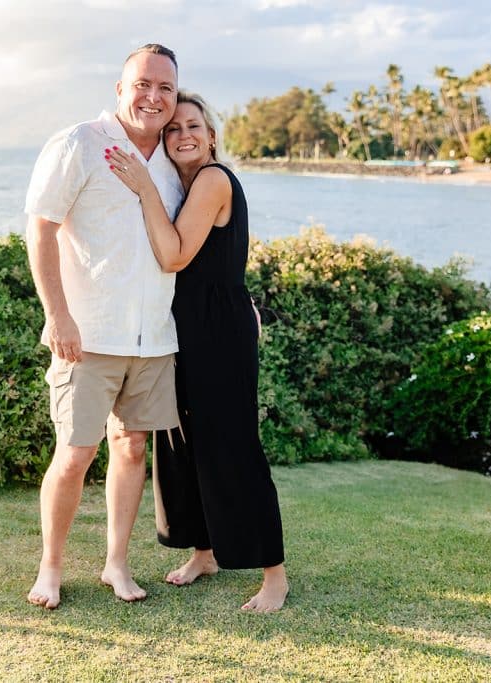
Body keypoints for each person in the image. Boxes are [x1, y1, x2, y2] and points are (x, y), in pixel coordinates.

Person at [105, 92, 289, 612]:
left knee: (232, 447)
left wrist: (141, 187)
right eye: (173, 129)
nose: (183, 133)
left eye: (194, 125)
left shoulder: (212, 180)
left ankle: (274, 576)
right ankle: (204, 552)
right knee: (182, 446)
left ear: (211, 137)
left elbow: (175, 254)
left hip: (219, 337)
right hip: (182, 331)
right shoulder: (182, 186)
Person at [22, 44, 184, 609]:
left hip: (154, 339)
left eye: (165, 88)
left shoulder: (174, 159)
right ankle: (51, 568)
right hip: (86, 336)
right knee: (74, 453)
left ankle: (117, 564)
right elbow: (40, 230)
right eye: (143, 84)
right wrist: (57, 315)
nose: (153, 97)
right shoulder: (79, 143)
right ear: (120, 88)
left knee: (133, 448)